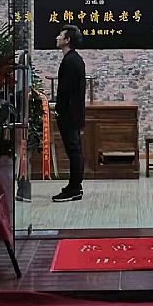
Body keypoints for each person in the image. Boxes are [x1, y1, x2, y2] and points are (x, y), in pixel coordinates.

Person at [51, 24, 86, 202]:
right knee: (74, 150)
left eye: (61, 35)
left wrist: (58, 107)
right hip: (72, 113)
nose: (57, 37)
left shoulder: (71, 61)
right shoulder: (73, 59)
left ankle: (74, 188)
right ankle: (74, 186)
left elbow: (67, 91)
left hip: (69, 114)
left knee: (74, 151)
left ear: (67, 40)